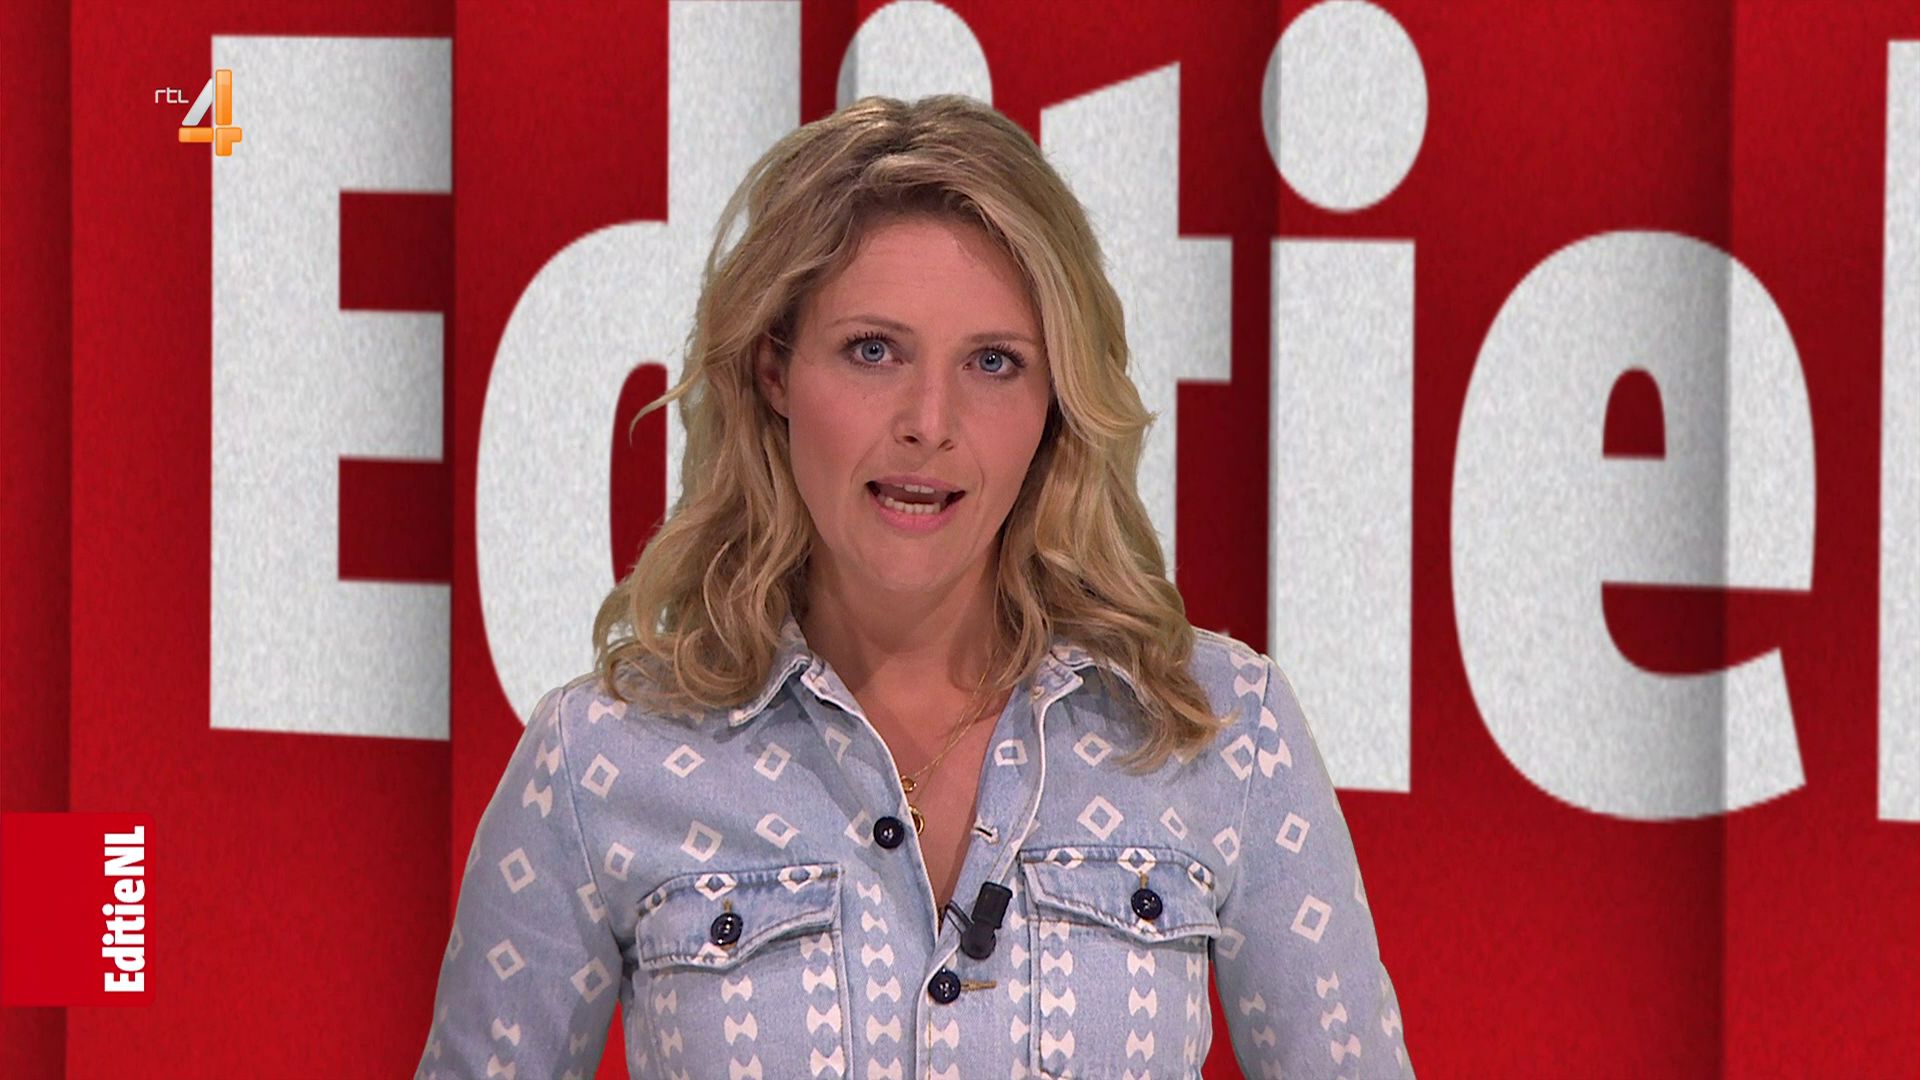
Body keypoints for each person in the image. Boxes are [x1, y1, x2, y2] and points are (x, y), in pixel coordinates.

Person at [417, 93, 1413, 1080]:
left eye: (994, 362)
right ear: (774, 370)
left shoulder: (1221, 730)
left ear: (1058, 401)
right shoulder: (599, 760)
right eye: (873, 351)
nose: (929, 422)